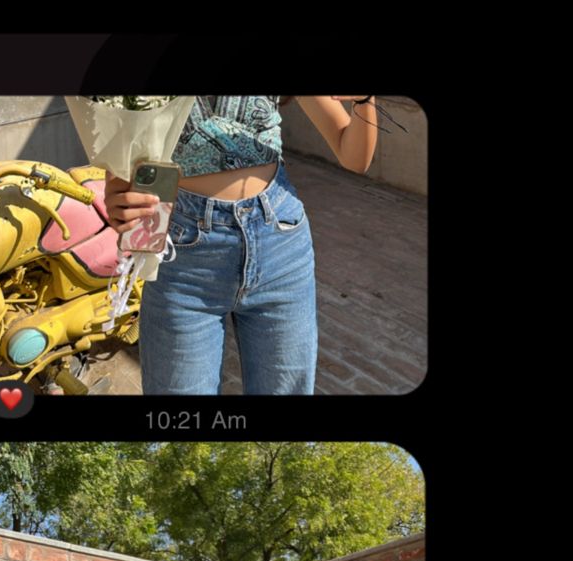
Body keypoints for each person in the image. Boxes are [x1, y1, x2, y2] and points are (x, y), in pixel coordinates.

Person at [104, 97, 379, 396]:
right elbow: (125, 162)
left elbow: (354, 157)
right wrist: (119, 199)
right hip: (183, 258)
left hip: (280, 247)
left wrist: (365, 99)